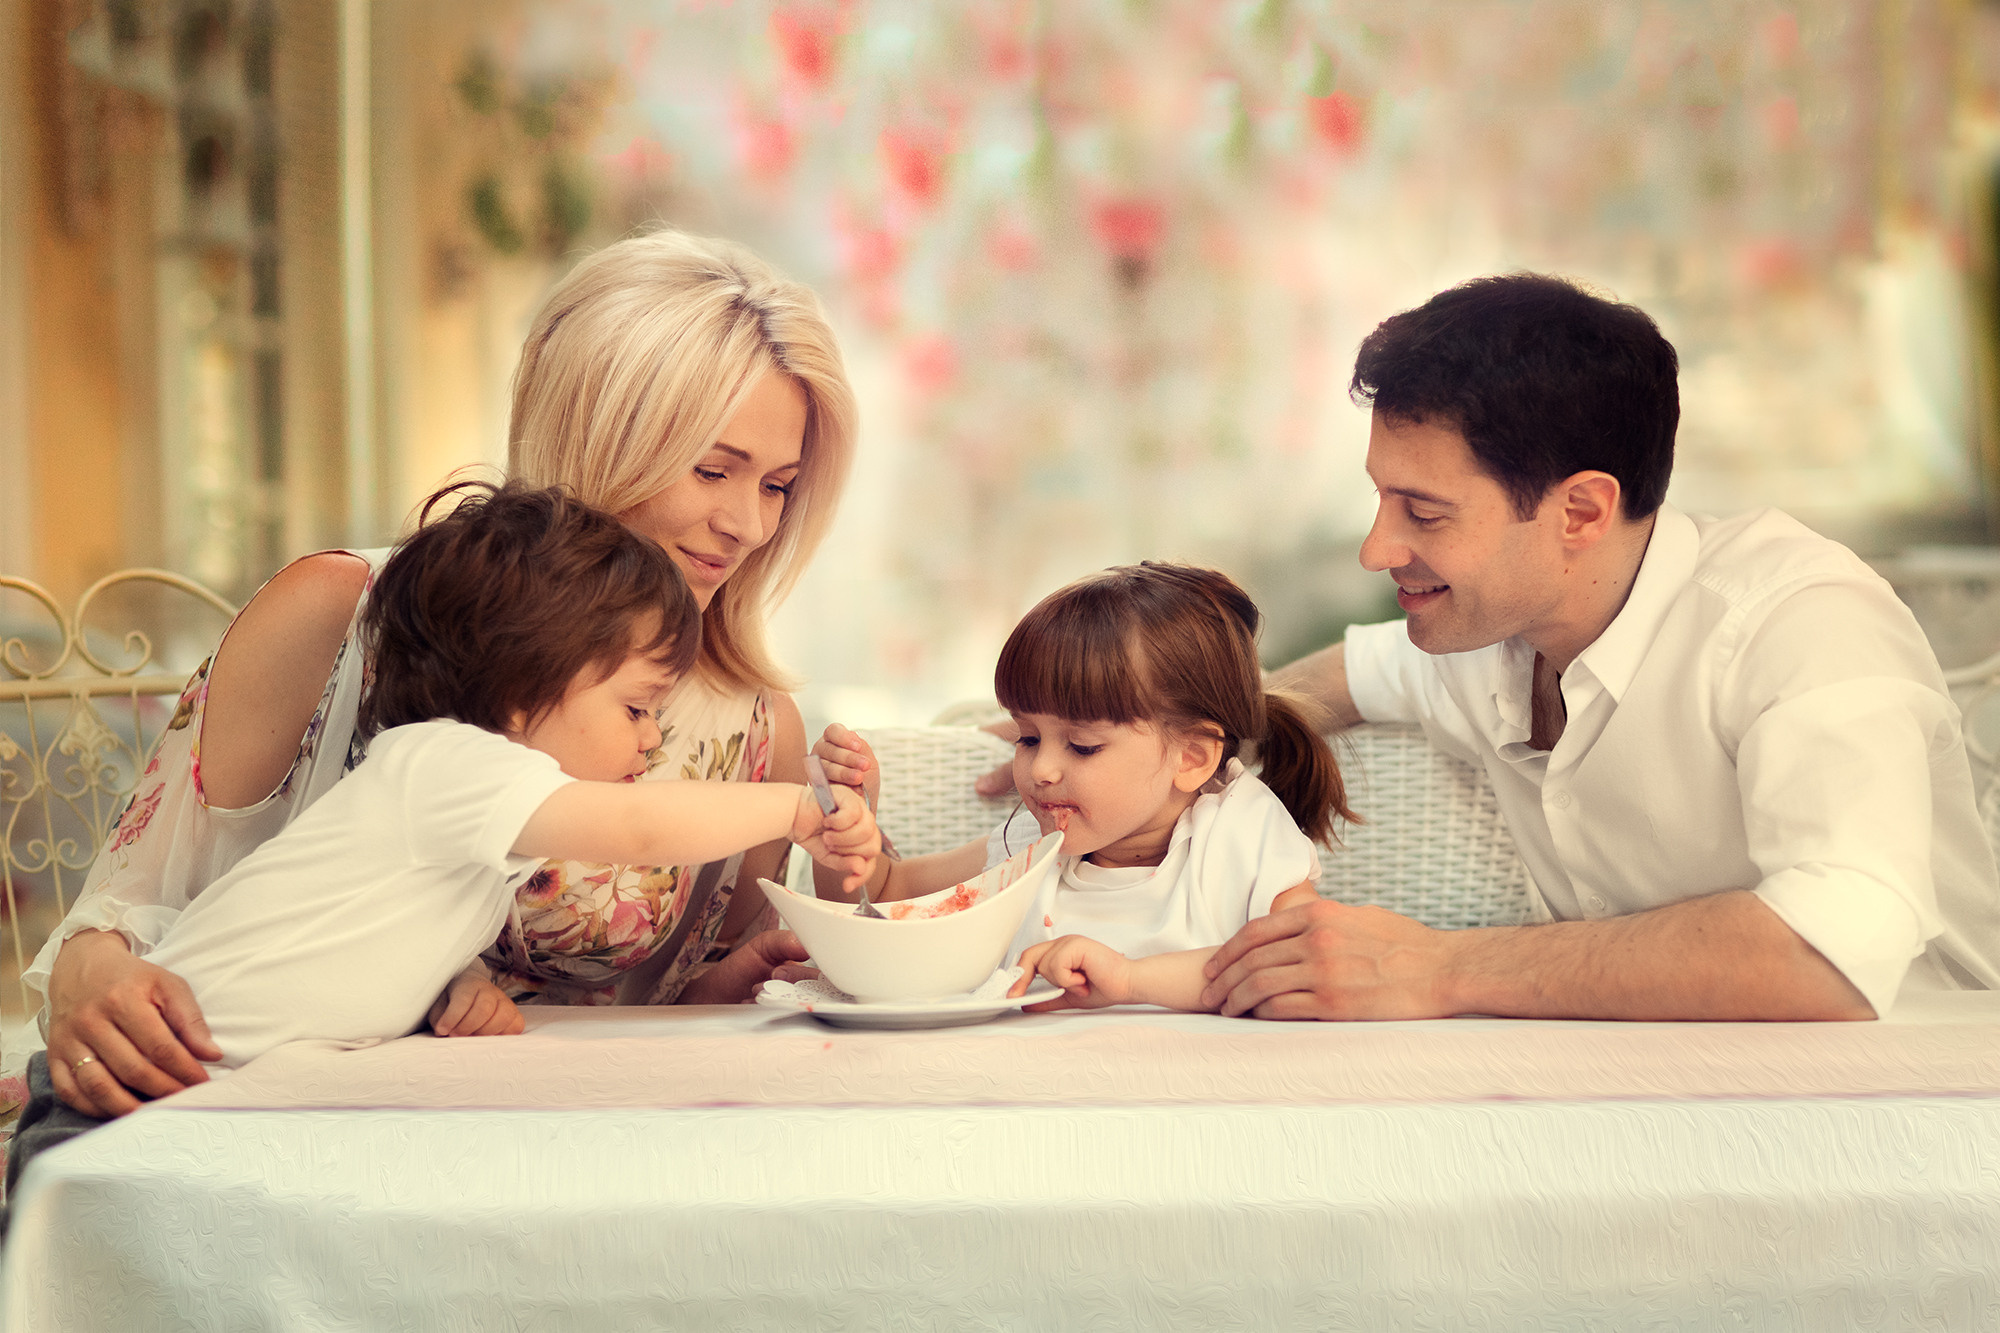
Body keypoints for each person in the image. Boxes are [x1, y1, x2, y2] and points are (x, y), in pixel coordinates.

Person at [27, 229, 859, 1120]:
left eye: (778, 485)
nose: (748, 524)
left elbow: (667, 1032)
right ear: (599, 433)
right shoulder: (344, 611)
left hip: (552, 1150)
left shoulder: (758, 726)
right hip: (268, 1119)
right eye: (711, 468)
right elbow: (123, 915)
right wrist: (93, 988)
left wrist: (786, 941)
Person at [3, 484, 878, 1207]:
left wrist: (450, 987)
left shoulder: (456, 807)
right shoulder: (454, 764)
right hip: (122, 1099)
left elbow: (366, 932)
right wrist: (797, 807)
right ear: (523, 687)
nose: (651, 743)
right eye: (637, 709)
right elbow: (642, 830)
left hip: (209, 1097)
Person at [1196, 273, 2000, 1022]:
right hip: (1644, 1097)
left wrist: (1437, 968)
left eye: (1425, 512)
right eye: (1381, 497)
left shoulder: (1800, 621)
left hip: (1927, 1104)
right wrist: (1167, 740)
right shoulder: (1487, 633)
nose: (1377, 548)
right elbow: (1332, 681)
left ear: (1580, 510)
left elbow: (1832, 953)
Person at [814, 563, 1353, 1001]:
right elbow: (881, 896)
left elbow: (1311, 965)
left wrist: (1131, 979)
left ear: (1191, 757)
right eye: (1027, 738)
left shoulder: (1239, 834)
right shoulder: (1029, 846)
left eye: (1082, 746)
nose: (1042, 770)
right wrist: (850, 820)